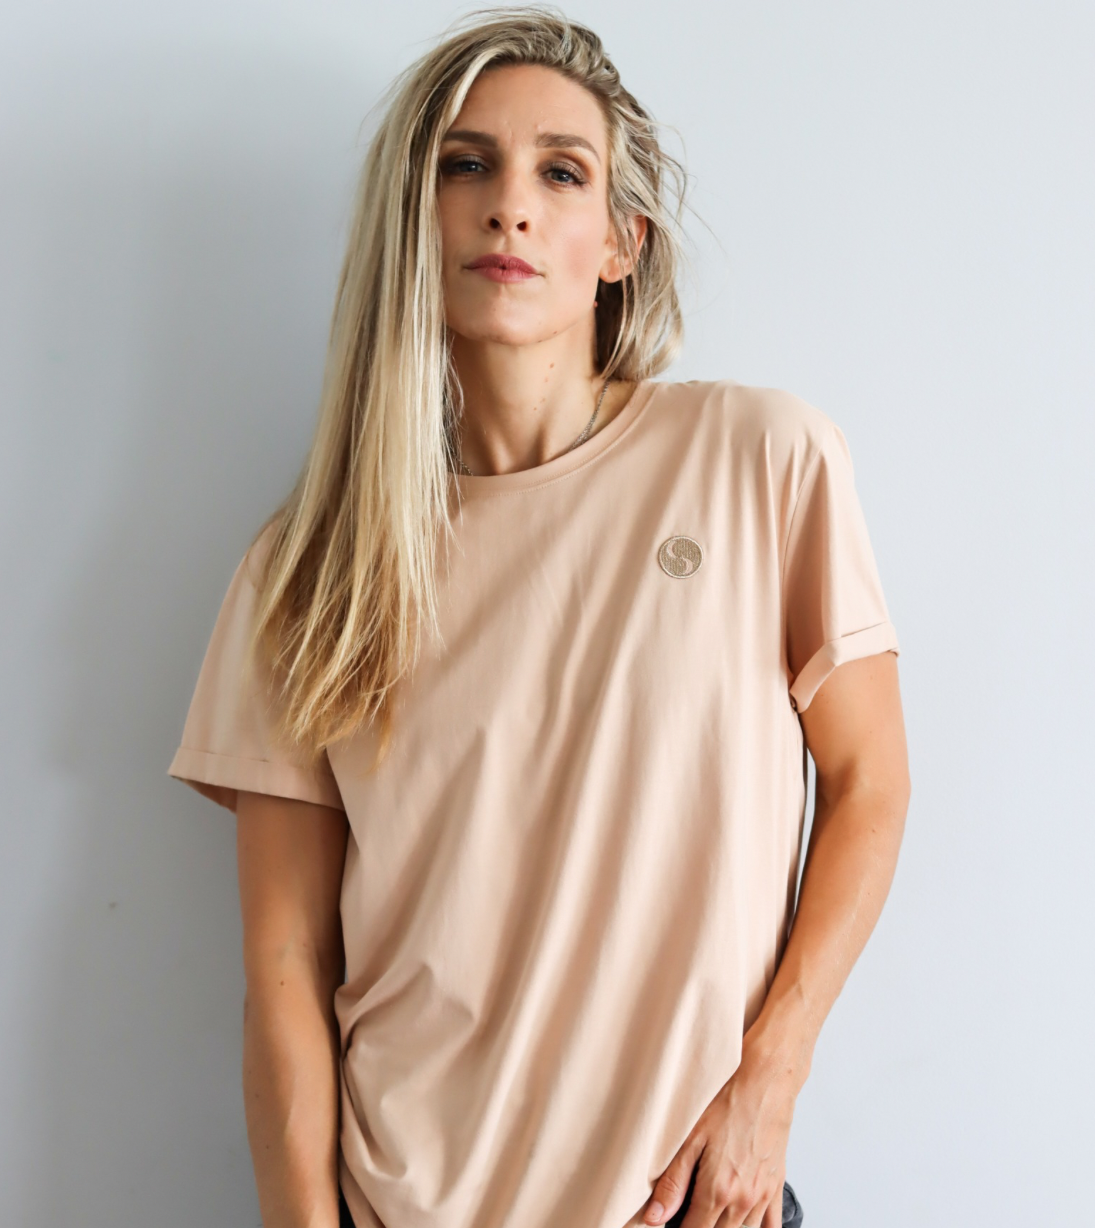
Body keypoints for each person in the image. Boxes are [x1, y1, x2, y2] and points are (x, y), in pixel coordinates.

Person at [166, 7, 910, 1228]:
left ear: (620, 240)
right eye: (465, 164)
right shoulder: (310, 566)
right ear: (414, 218)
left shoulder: (759, 460)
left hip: (683, 1202)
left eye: (560, 172)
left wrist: (771, 1078)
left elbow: (870, 782)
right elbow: (286, 963)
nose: (508, 205)